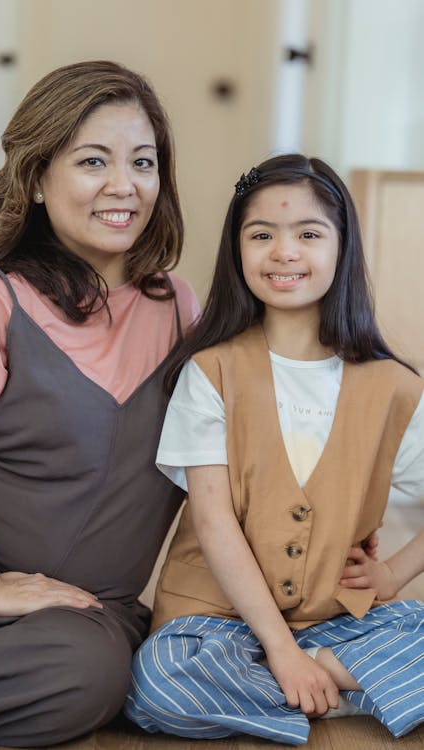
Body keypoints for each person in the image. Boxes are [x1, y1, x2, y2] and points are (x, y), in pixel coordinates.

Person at [0, 60, 199, 746]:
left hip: (70, 626)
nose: (123, 186)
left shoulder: (179, 308)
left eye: (143, 161)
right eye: (92, 161)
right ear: (39, 179)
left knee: (92, 675)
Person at [125, 154, 424, 745]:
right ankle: (337, 691)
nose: (284, 252)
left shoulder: (395, 388)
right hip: (218, 624)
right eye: (261, 235)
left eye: (309, 234)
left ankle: (318, 683)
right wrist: (283, 653)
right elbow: (212, 522)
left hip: (338, 621)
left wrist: (391, 575)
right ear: (237, 251)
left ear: (343, 249)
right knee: (159, 681)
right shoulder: (210, 371)